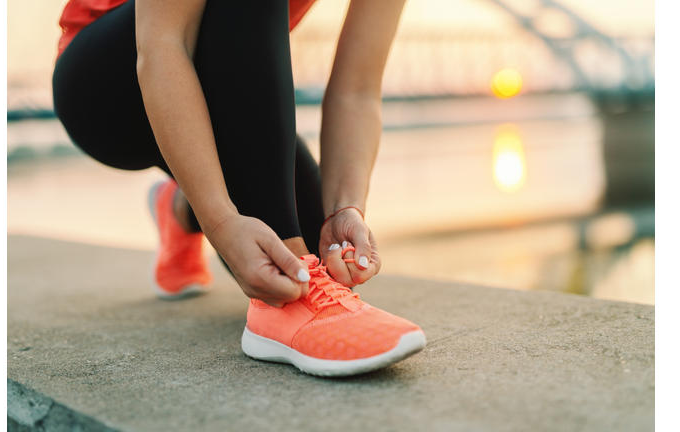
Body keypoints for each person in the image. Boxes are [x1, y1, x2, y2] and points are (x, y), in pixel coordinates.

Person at [52, 0, 425, 376]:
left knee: (316, 248)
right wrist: (219, 220)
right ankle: (278, 311)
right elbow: (163, 43)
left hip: (216, 88)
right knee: (292, 268)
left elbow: (357, 89)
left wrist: (344, 208)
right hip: (108, 88)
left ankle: (180, 209)